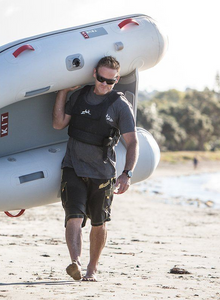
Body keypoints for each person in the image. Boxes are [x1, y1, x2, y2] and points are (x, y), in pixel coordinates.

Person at [52, 56, 138, 282]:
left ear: (116, 79)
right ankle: (76, 263)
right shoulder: (79, 96)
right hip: (73, 167)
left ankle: (92, 267)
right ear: (94, 74)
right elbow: (58, 123)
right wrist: (63, 92)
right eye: (101, 78)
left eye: (110, 81)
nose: (104, 84)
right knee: (73, 217)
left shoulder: (119, 105)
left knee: (99, 223)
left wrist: (127, 173)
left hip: (102, 174)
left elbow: (133, 142)